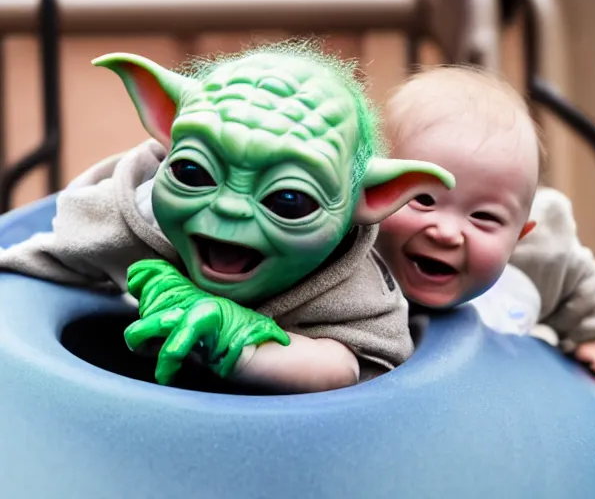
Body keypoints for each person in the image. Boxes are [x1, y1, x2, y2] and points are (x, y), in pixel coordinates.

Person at [0, 39, 455, 393]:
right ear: (165, 126)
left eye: (289, 200)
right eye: (193, 173)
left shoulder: (354, 285)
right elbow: (36, 263)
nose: (228, 209)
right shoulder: (127, 214)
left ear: (371, 198)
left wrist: (238, 344)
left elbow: (349, 369)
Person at [375, 65, 595, 394]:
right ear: (373, 191)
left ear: (519, 236)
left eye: (484, 217)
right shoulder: (345, 253)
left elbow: (579, 284)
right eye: (423, 199)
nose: (446, 232)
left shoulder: (534, 259)